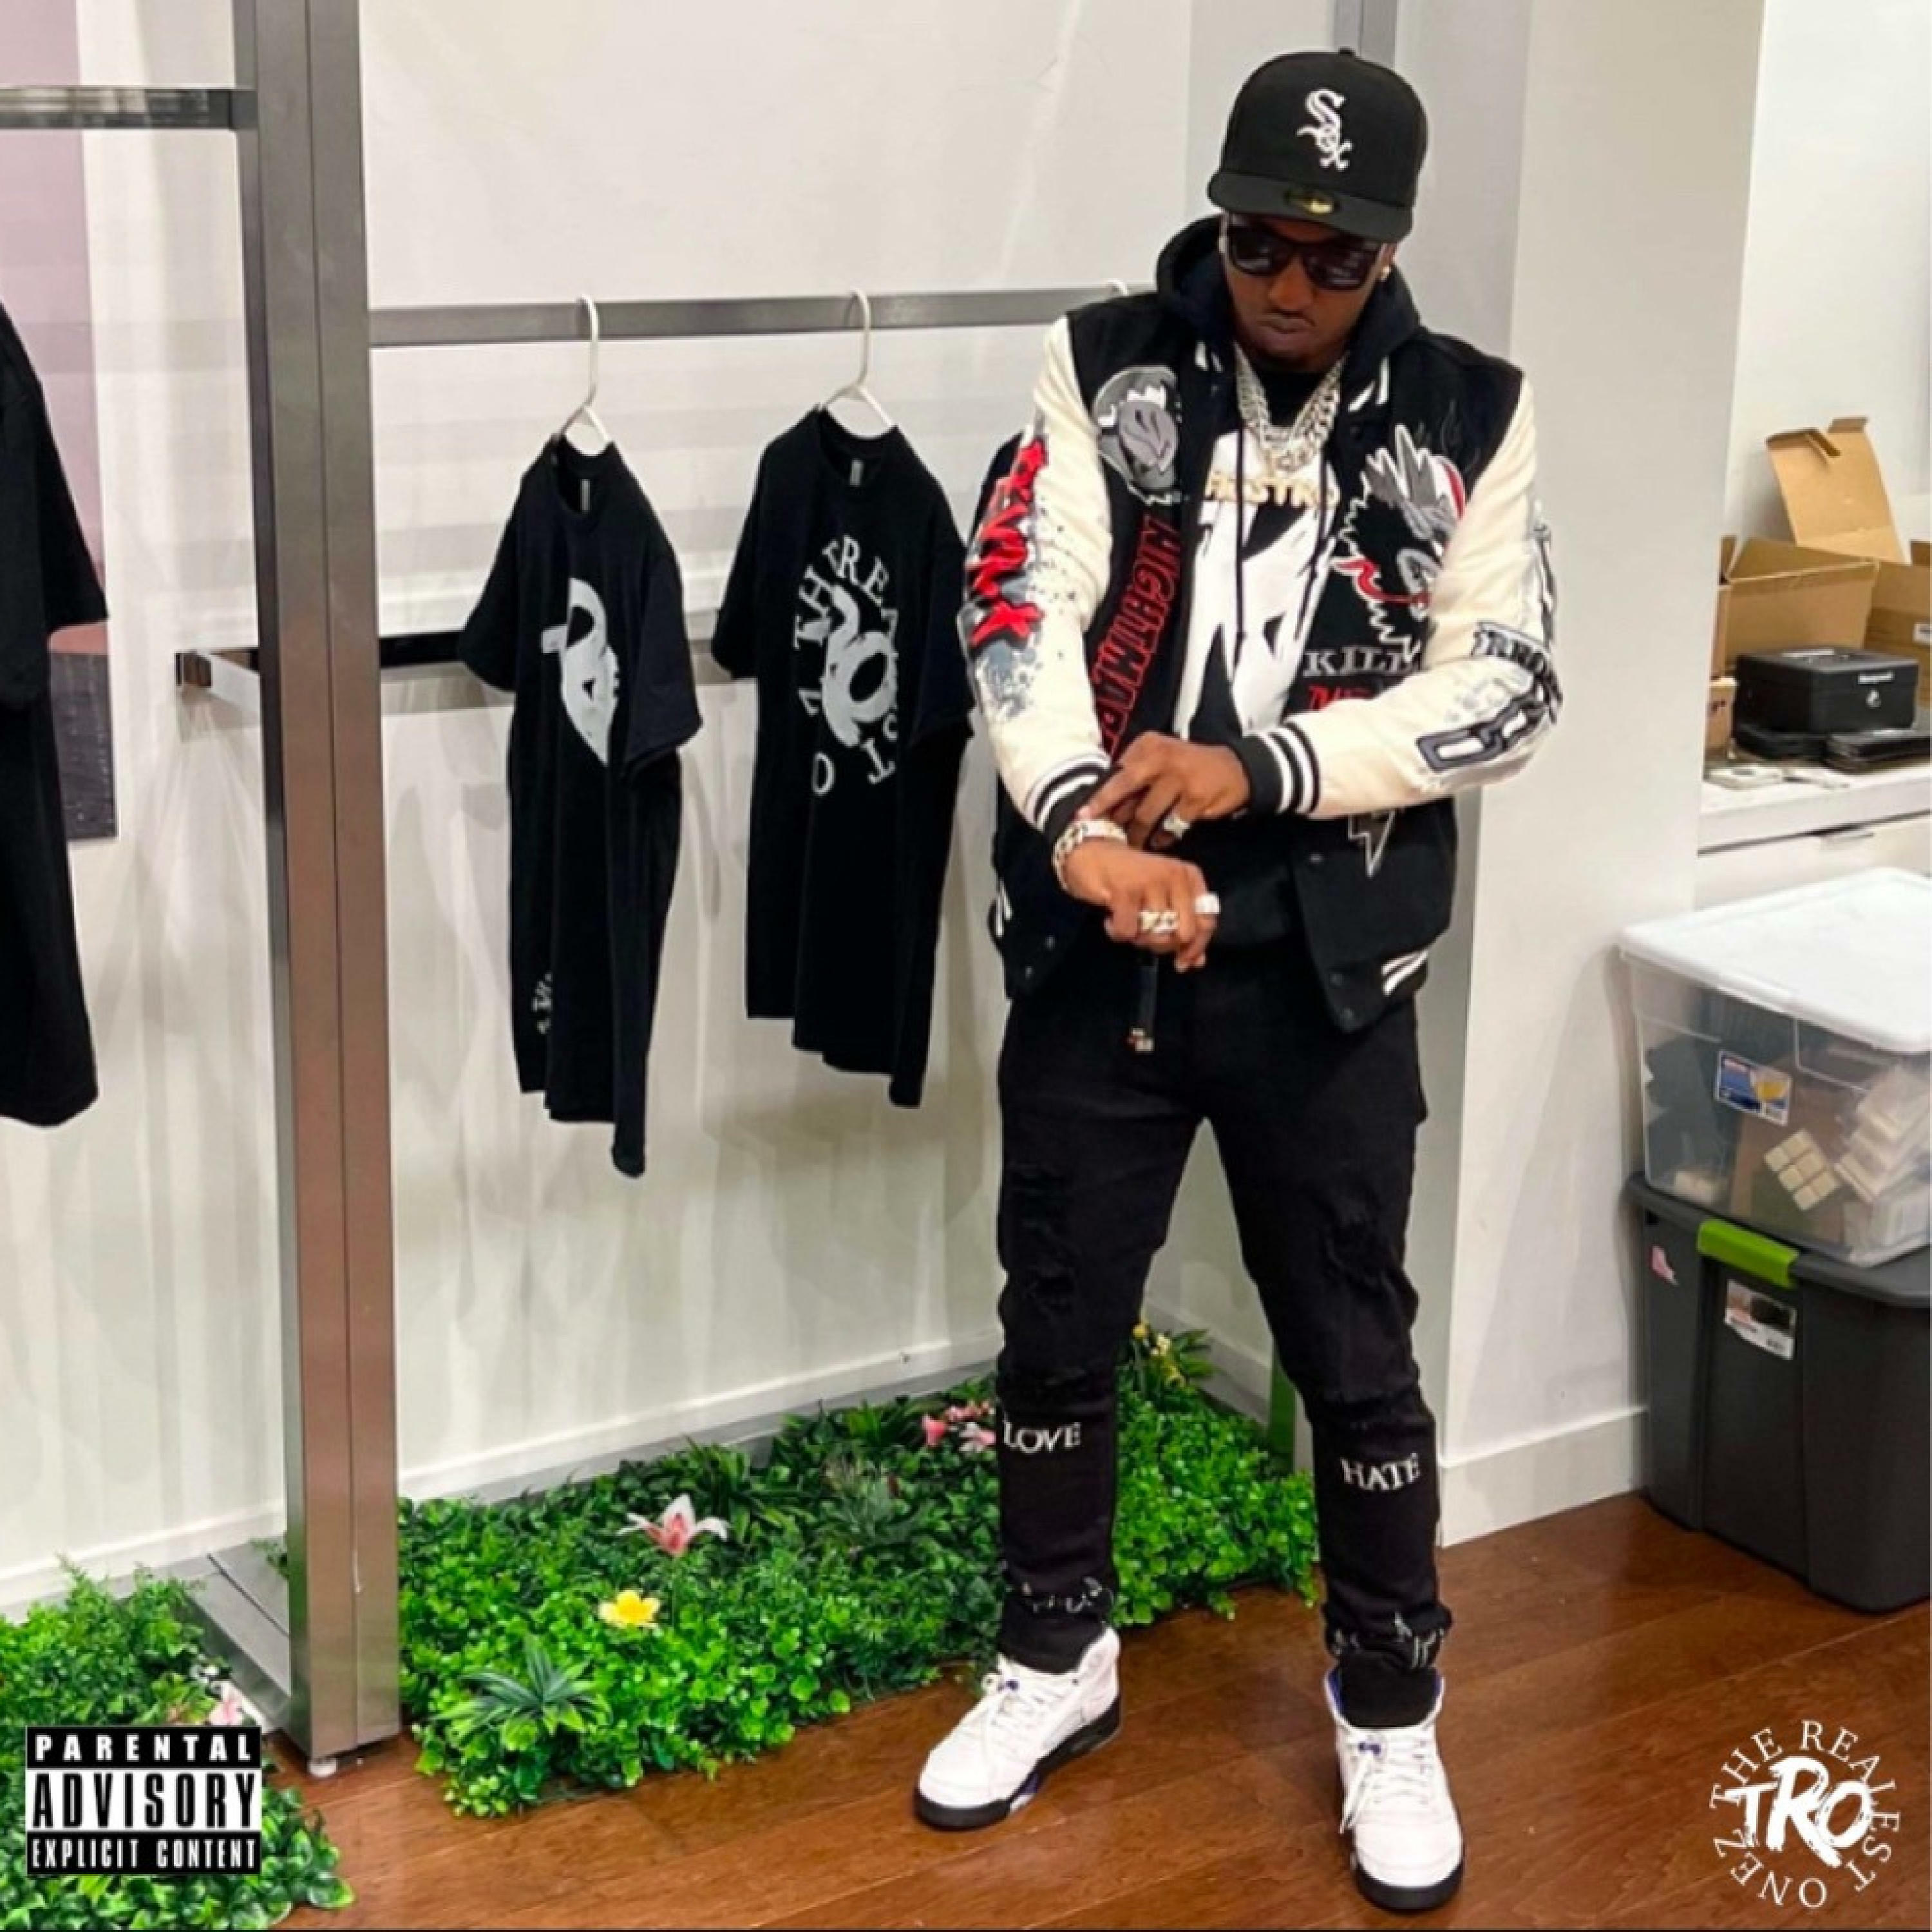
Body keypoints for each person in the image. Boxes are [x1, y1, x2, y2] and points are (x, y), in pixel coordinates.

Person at [915, 48, 1560, 1913]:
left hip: (1329, 969)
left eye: (1335, 256)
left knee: (1354, 1352)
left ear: (1389, 252)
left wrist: (1260, 768)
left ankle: (1390, 1703)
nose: (1289, 283)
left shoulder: (1473, 412)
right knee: (1059, 1319)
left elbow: (1509, 683)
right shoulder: (1103, 361)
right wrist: (1073, 822)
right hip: (1096, 940)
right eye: (1259, 241)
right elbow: (1016, 598)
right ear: (1219, 219)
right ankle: (1055, 1652)